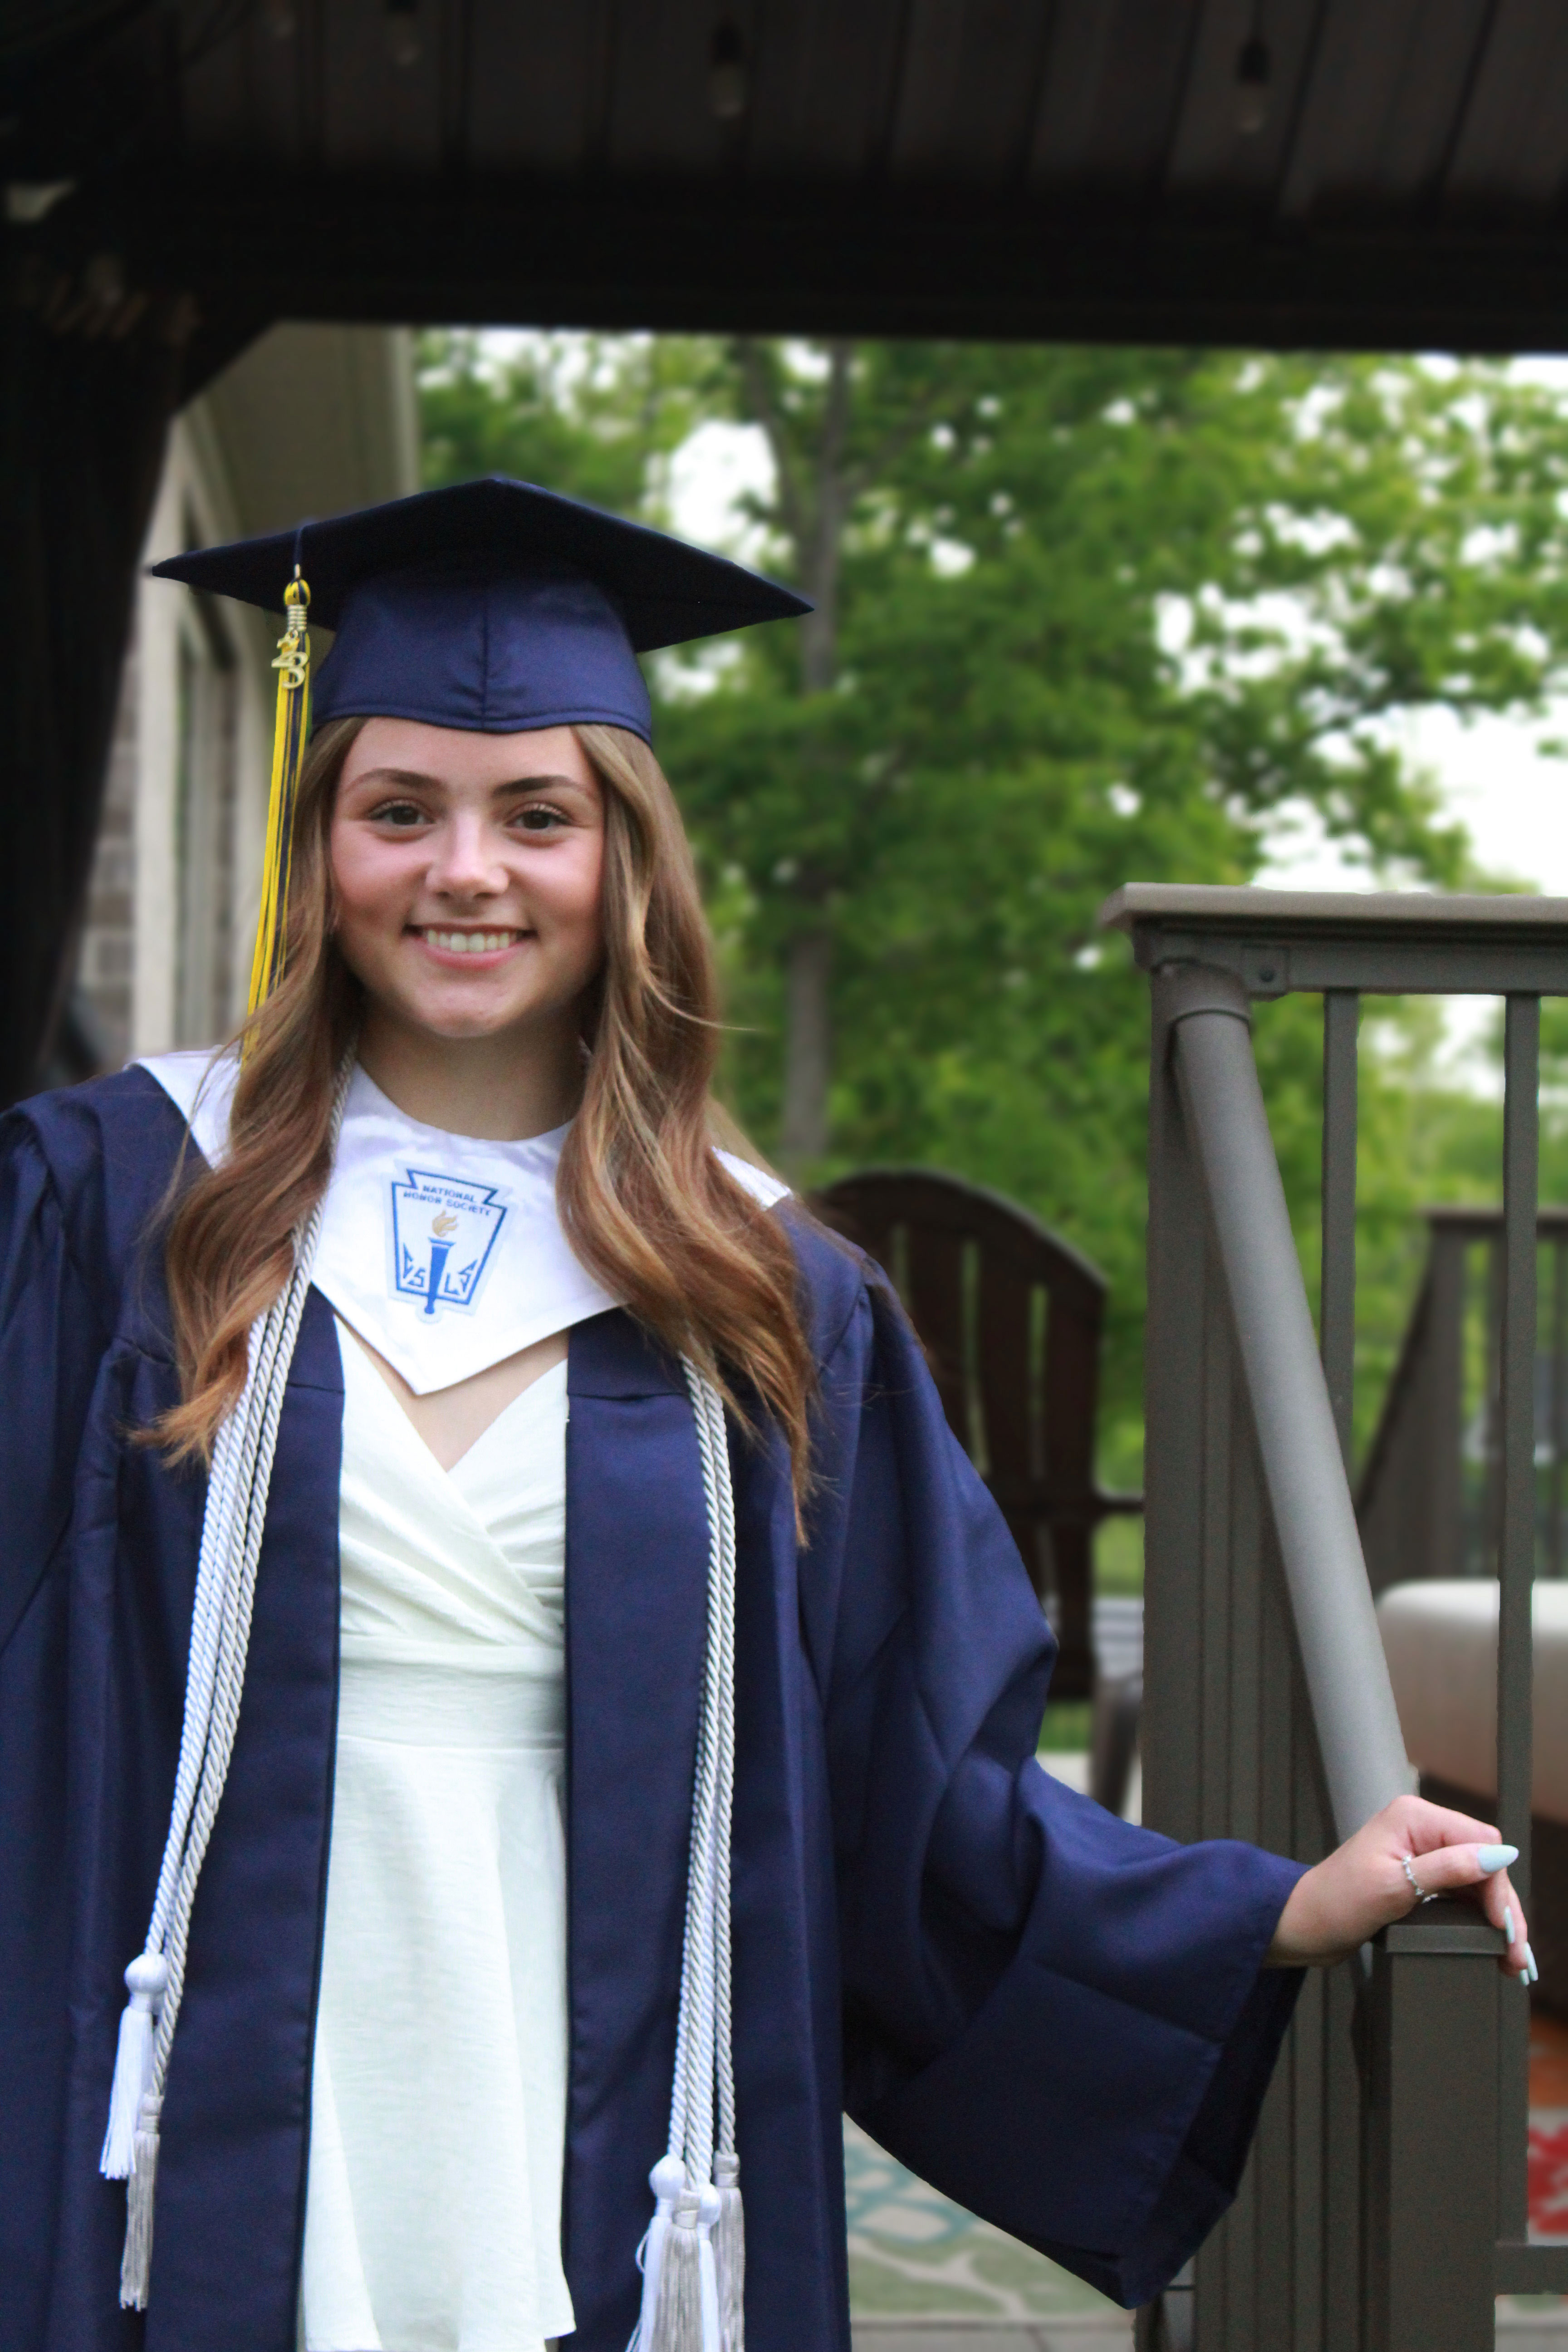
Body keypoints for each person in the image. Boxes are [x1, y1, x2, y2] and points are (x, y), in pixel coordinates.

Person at [0, 478, 1531, 2352]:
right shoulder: (114, 1202)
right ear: (320, 849)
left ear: (622, 861)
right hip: (193, 2068)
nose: (463, 870)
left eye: (536, 816)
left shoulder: (762, 1291)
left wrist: (1260, 1915)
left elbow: (912, 1773)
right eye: (397, 810)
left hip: (590, 2064)